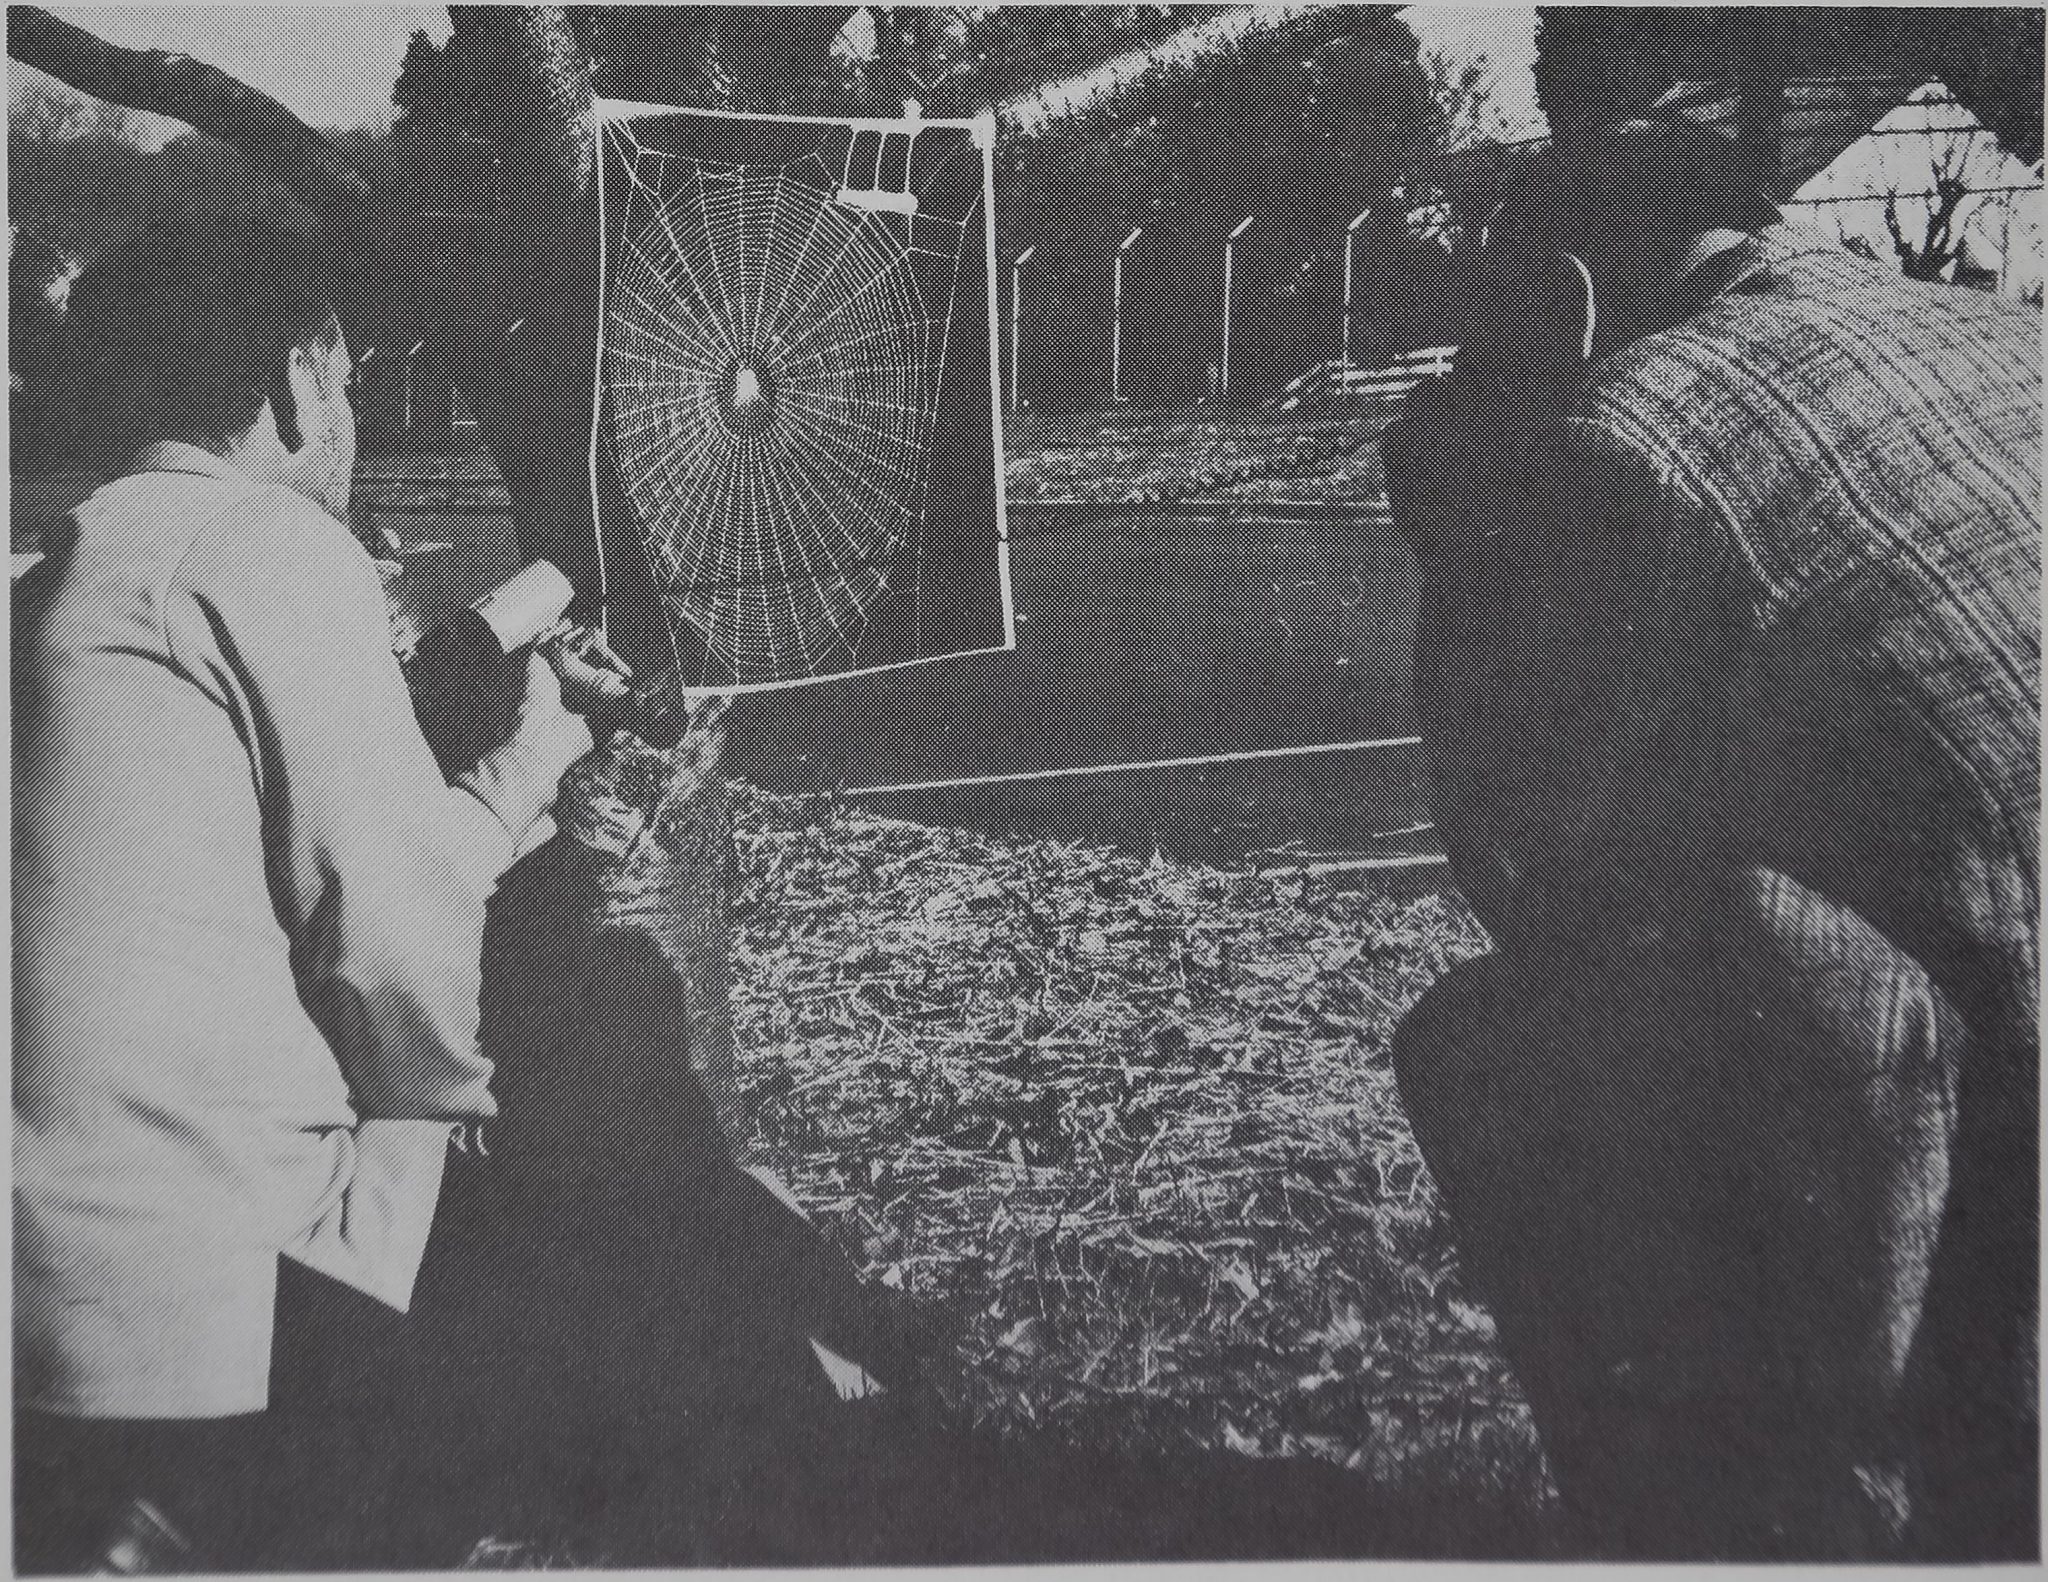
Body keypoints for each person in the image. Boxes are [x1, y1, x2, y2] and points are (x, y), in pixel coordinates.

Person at [12, 219, 941, 1571]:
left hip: (42, 1294)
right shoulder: (264, 541)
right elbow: (396, 955)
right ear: (290, 384)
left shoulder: (59, 575)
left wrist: (503, 754)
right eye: (347, 394)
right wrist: (529, 776)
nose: (351, 431)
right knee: (629, 1262)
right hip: (215, 1314)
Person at [1381, 121, 2038, 1560]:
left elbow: (1520, 865)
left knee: (1494, 1043)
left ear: (1558, 292)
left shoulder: (1623, 430)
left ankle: (1732, 1530)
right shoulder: (2000, 332)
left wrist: (1459, 523)